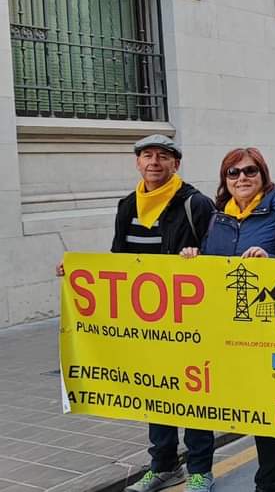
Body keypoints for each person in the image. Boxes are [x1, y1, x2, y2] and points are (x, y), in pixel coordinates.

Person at [61, 135, 216, 492]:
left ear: (176, 164)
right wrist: (77, 273)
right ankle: (163, 465)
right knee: (156, 393)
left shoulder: (195, 203)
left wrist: (198, 256)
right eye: (147, 155)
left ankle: (199, 470)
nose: (154, 162)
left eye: (163, 156)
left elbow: (218, 253)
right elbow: (118, 259)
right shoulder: (127, 205)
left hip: (188, 321)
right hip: (146, 324)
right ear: (138, 163)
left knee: (194, 395)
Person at [180, 148, 275, 492]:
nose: (242, 178)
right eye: (233, 173)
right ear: (225, 180)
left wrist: (269, 260)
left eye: (250, 171)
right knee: (260, 413)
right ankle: (268, 482)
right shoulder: (217, 219)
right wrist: (194, 258)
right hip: (238, 335)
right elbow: (213, 273)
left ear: (263, 174)